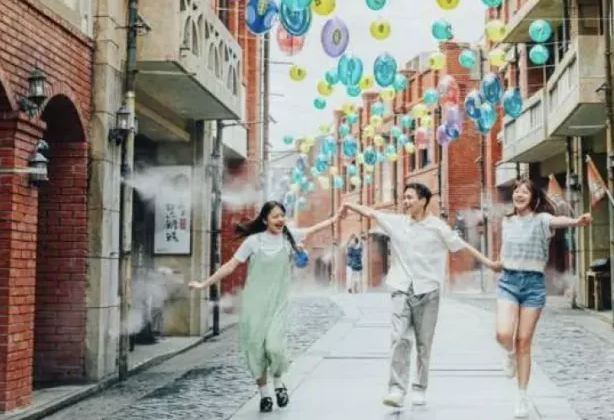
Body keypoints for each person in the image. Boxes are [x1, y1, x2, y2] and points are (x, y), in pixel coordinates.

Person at [342, 182, 501, 409]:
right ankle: (396, 389)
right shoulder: (397, 222)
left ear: (423, 200)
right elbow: (371, 212)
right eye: (404, 197)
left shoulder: (437, 227)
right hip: (401, 288)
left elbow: (463, 246)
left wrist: (490, 264)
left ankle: (419, 387)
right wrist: (348, 205)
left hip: (428, 291)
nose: (405, 202)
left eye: (410, 198)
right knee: (399, 338)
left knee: (424, 343)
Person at [187, 201, 338, 413]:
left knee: (274, 347)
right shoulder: (253, 242)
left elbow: (314, 229)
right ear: (265, 220)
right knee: (256, 350)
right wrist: (204, 284)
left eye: (282, 215)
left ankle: (278, 384)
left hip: (278, 304)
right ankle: (265, 394)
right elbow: (230, 266)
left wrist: (337, 216)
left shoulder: (289, 237)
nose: (280, 219)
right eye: (275, 216)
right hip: (254, 305)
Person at [496, 177, 591, 418]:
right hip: (508, 281)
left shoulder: (541, 220)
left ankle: (521, 397)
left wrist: (576, 222)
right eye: (516, 191)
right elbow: (504, 249)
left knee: (524, 341)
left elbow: (558, 221)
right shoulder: (507, 221)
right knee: (504, 334)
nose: (519, 195)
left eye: (525, 192)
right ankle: (508, 354)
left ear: (533, 198)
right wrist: (499, 262)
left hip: (533, 285)